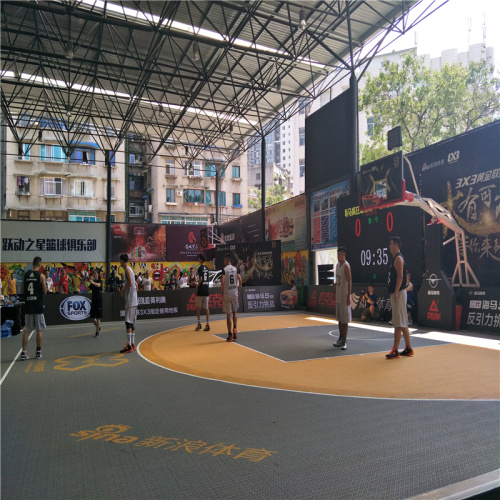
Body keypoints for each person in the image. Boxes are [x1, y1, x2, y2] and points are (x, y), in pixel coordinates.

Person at [386, 236, 413, 359]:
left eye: (391, 244)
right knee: (401, 322)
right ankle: (408, 348)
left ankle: (396, 350)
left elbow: (400, 277)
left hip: (399, 293)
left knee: (399, 323)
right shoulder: (396, 258)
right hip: (398, 293)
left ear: (396, 244)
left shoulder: (398, 259)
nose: (389, 246)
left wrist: (396, 292)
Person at [20, 256, 47, 360]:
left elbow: (22, 289)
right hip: (37, 305)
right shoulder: (41, 276)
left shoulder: (25, 275)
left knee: (27, 329)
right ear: (40, 265)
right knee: (39, 329)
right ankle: (38, 352)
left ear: (32, 264)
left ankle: (24, 353)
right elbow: (44, 292)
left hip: (28, 305)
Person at [333, 246, 351, 350]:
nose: (338, 256)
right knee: (339, 318)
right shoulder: (337, 265)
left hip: (344, 296)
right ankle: (340, 338)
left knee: (345, 319)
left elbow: (350, 281)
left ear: (343, 255)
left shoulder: (346, 266)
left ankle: (344, 340)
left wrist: (349, 296)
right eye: (337, 254)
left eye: (339, 254)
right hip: (339, 295)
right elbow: (337, 279)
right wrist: (335, 289)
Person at [221, 253, 242, 342]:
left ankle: (229, 335)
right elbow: (240, 280)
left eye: (224, 260)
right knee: (235, 312)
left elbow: (222, 281)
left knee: (228, 315)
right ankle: (235, 329)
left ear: (226, 260)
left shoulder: (224, 270)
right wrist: (239, 291)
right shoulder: (235, 269)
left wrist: (222, 291)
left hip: (227, 293)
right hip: (234, 293)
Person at [119, 254, 138, 353]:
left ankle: (129, 345)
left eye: (120, 261)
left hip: (131, 299)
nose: (119, 263)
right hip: (134, 298)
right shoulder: (130, 269)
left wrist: (122, 289)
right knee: (132, 322)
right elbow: (135, 283)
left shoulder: (127, 269)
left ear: (122, 260)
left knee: (128, 322)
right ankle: (133, 343)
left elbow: (130, 283)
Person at [195, 253, 210, 331]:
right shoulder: (207, 268)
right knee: (206, 307)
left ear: (200, 259)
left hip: (201, 290)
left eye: (198, 258)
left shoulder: (200, 268)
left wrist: (197, 284)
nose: (198, 259)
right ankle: (207, 324)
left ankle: (199, 323)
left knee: (197, 307)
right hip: (206, 289)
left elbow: (201, 278)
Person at [88, 269, 103, 338]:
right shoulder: (92, 283)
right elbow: (87, 289)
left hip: (99, 301)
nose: (94, 274)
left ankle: (97, 332)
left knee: (98, 317)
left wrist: (92, 282)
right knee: (92, 317)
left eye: (95, 273)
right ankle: (98, 327)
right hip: (93, 301)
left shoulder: (100, 281)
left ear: (98, 274)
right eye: (93, 273)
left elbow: (98, 285)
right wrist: (86, 282)